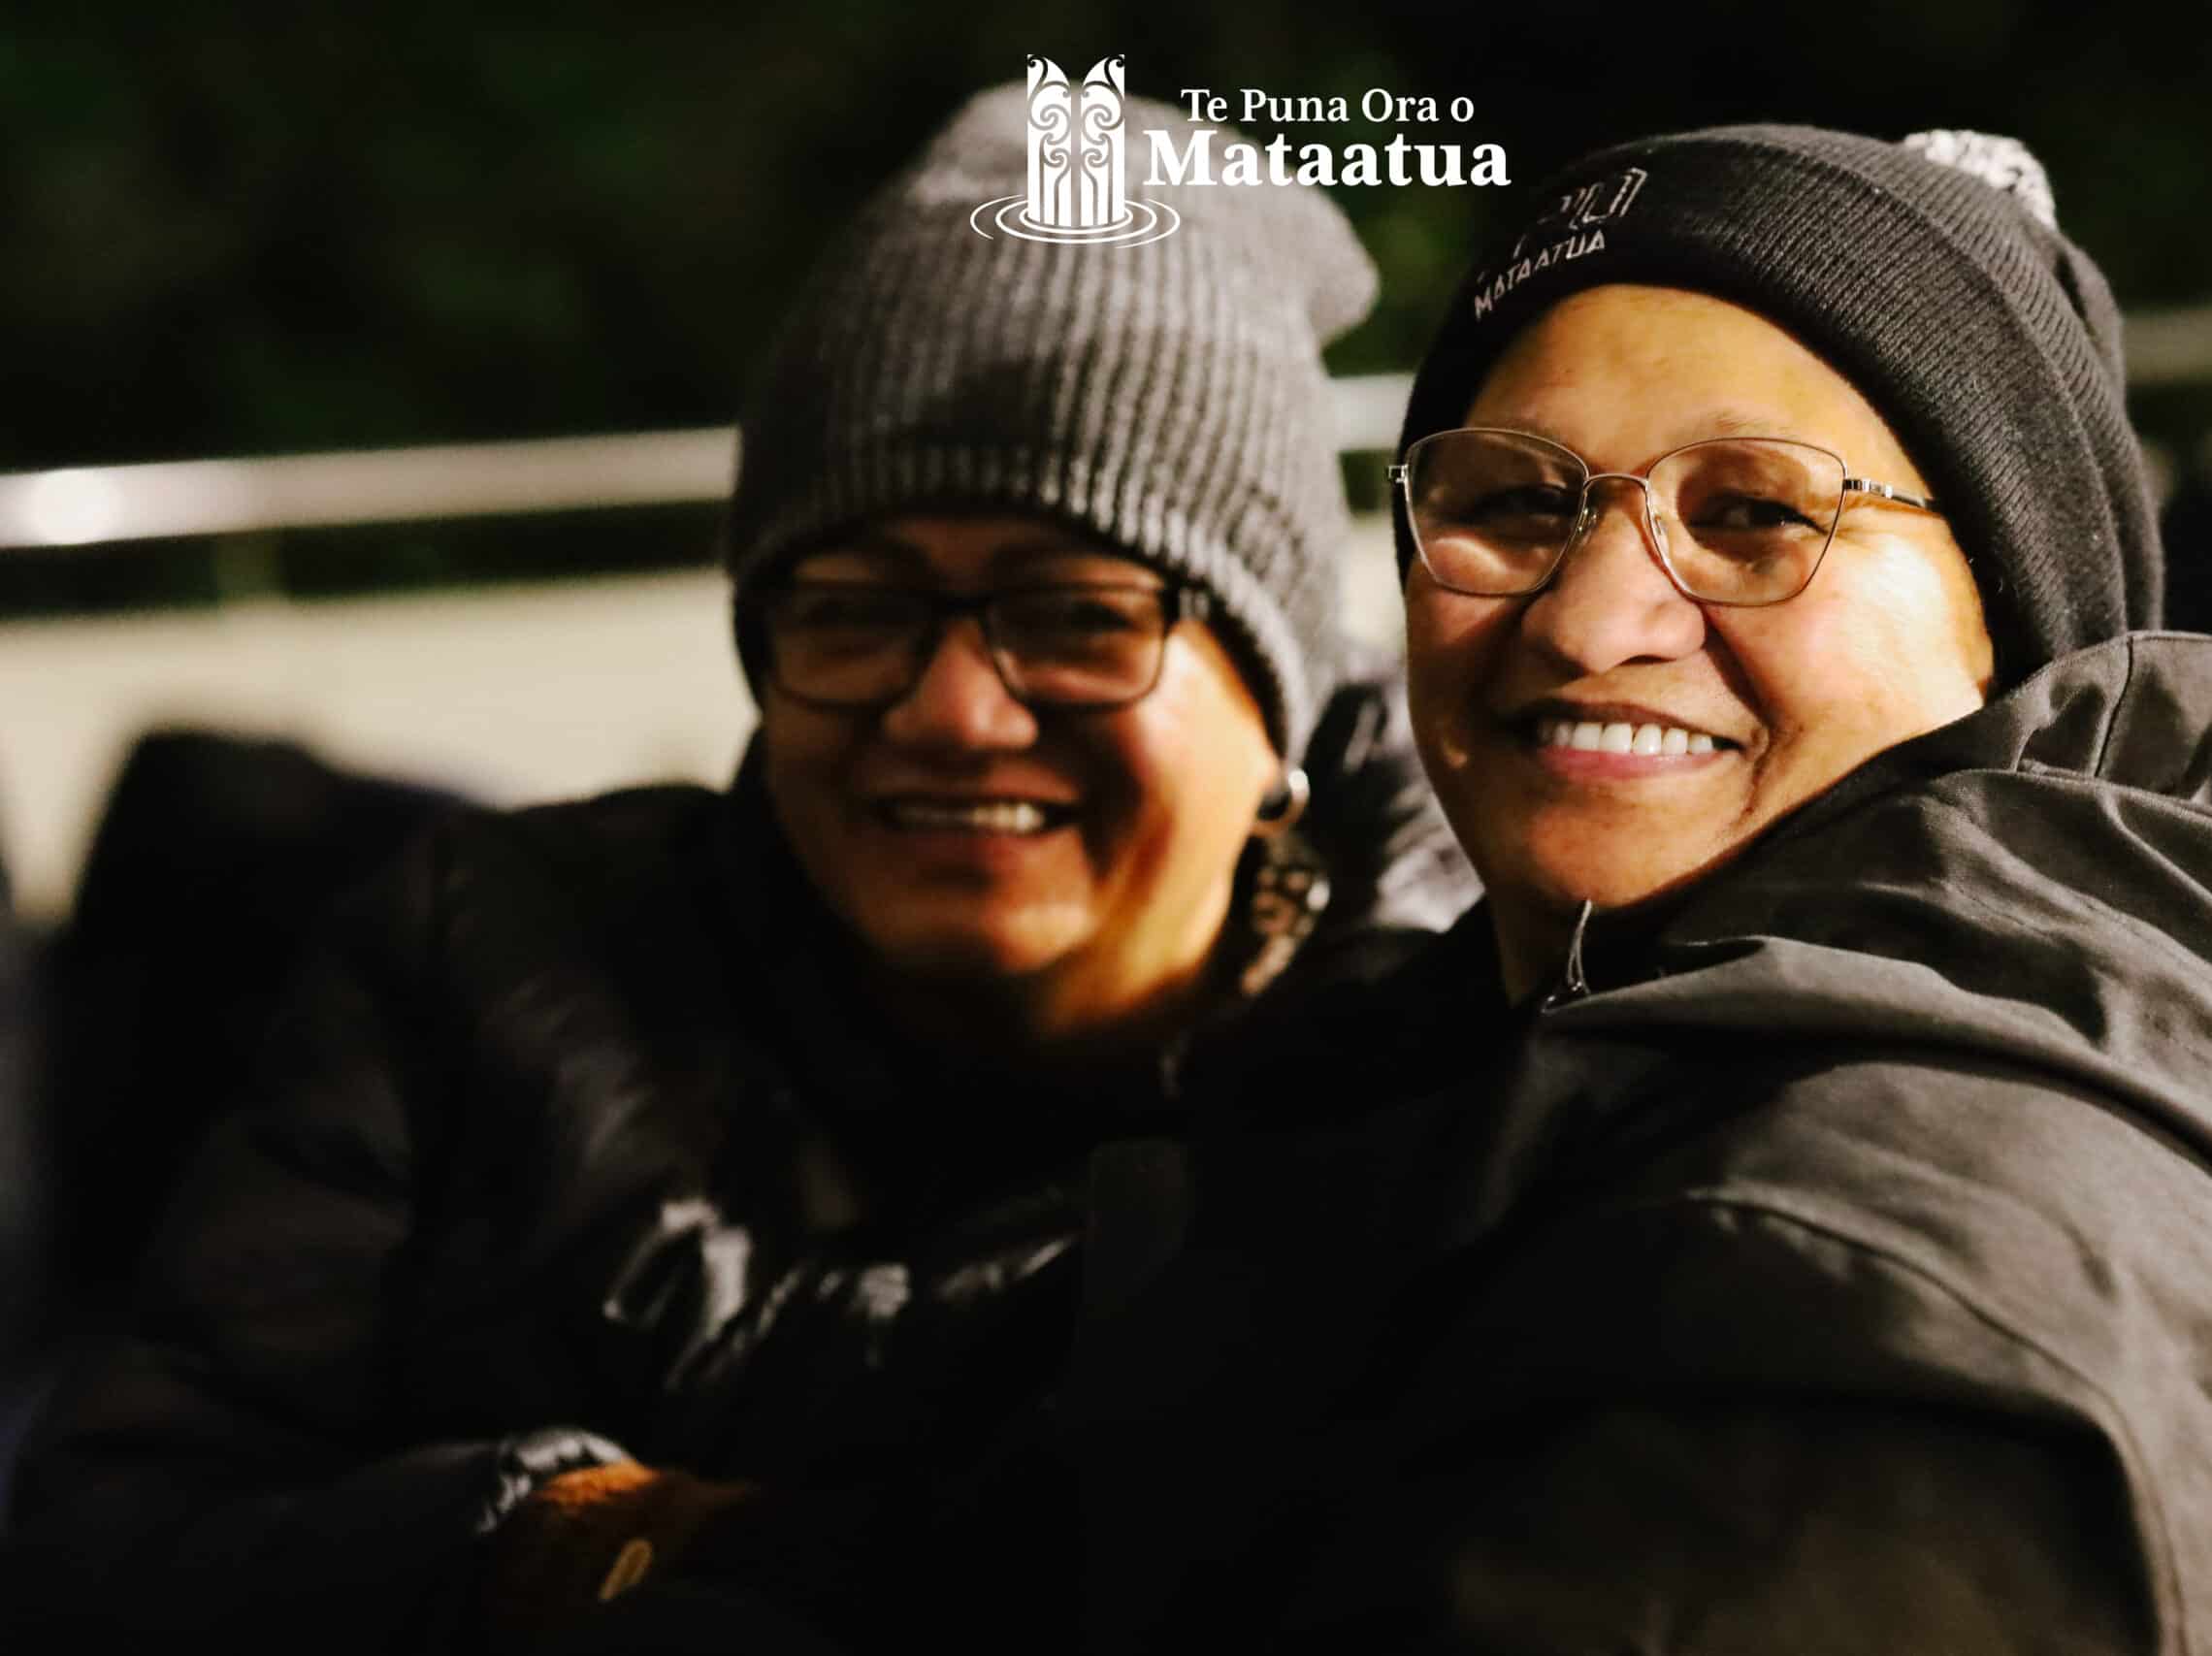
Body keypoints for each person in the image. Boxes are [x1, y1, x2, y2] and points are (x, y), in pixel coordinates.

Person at [0, 85, 1473, 1648]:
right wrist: (567, 1545)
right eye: (853, 606)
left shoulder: (1479, 1053)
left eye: (1078, 615)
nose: (953, 711)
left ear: (1285, 696)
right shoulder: (481, 957)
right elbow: (106, 1544)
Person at [1056, 127, 2212, 1654]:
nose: (1592, 617)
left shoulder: (1850, 1294)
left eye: (1752, 514)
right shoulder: (1513, 1052)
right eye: (1517, 501)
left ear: (2010, 622)